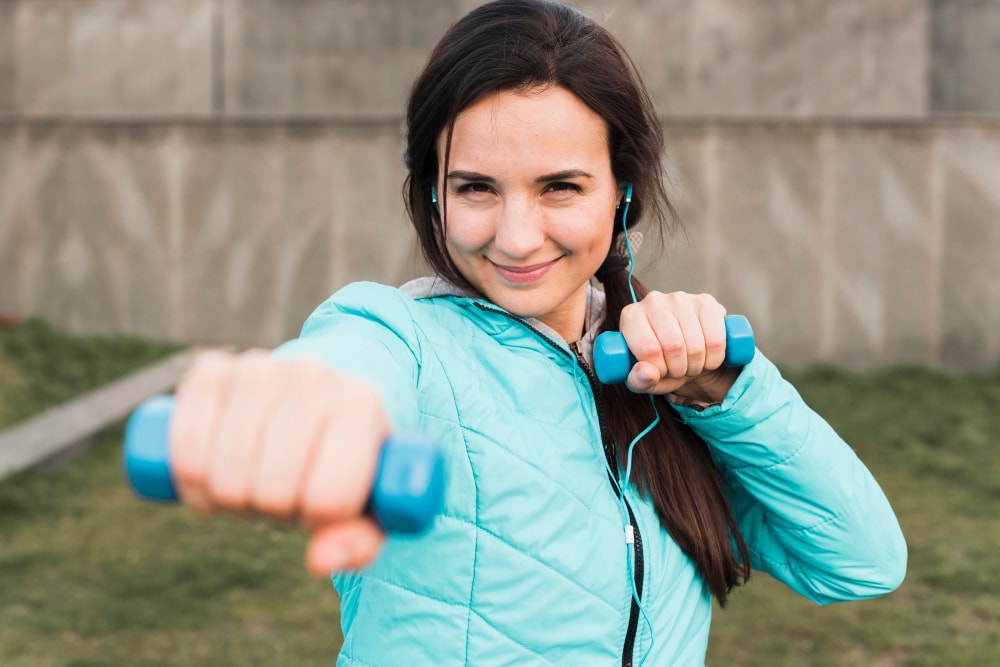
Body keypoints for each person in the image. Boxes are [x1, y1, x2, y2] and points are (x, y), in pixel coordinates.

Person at [167, 1, 907, 665]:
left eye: (560, 186)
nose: (517, 238)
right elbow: (351, 364)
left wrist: (728, 394)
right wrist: (310, 402)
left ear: (623, 191)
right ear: (433, 190)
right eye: (476, 188)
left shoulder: (673, 392)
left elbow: (861, 560)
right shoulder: (406, 338)